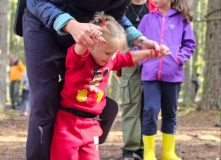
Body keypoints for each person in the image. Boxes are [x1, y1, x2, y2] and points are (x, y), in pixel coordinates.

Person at [22, 0, 163, 159]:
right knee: (44, 101)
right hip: (45, 22)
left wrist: (143, 44)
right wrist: (72, 26)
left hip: (91, 124)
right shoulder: (80, 58)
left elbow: (116, 22)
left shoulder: (109, 58)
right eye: (109, 53)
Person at [137, 0, 196, 159]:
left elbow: (189, 44)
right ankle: (149, 153)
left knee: (170, 112)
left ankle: (168, 153)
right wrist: (144, 61)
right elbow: (137, 43)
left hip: (173, 74)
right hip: (150, 74)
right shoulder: (147, 19)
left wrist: (179, 59)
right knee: (151, 110)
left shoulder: (182, 19)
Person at [120, 0, 151, 159]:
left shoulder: (154, 4)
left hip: (150, 55)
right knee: (131, 101)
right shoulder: (120, 5)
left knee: (149, 104)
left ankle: (145, 146)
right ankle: (131, 148)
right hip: (127, 57)